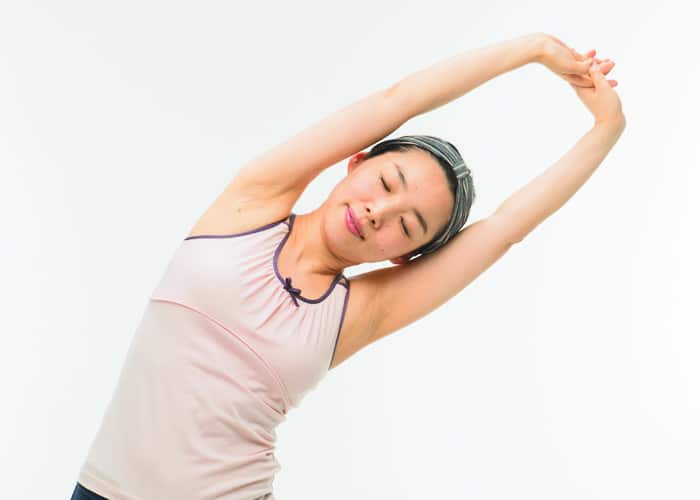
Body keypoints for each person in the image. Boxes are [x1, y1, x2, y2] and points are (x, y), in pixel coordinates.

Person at [71, 32, 624, 499]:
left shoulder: (360, 312)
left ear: (403, 256)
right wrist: (533, 49)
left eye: (407, 225)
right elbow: (395, 101)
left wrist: (605, 131)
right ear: (357, 161)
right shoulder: (255, 201)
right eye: (386, 182)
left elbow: (504, 228)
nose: (380, 212)